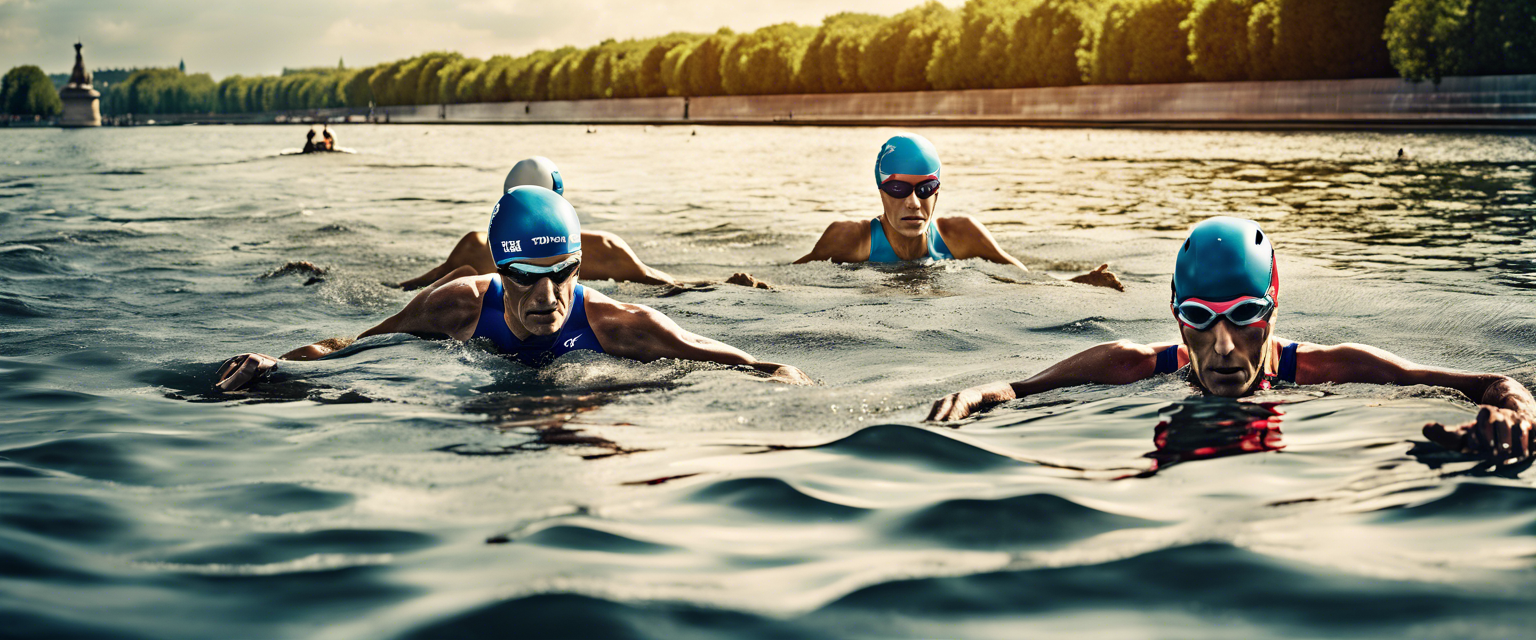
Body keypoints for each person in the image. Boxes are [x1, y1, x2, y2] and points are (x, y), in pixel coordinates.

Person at [927, 216, 1534, 464]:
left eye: (1243, 317)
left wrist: (1517, 416)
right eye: (1199, 317)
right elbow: (1016, 388)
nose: (1222, 346)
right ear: (1174, 312)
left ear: (1272, 312)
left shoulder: (1329, 368)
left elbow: (1494, 384)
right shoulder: (1134, 365)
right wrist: (978, 396)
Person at [216, 186, 811, 391]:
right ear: (499, 271)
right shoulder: (457, 302)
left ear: (581, 267)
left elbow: (753, 365)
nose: (547, 296)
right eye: (526, 279)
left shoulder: (622, 324)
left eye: (563, 274)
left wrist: (793, 391)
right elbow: (349, 348)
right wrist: (278, 367)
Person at [794, 133, 1125, 291]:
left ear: (937, 192)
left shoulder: (962, 235)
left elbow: (1025, 281)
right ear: (881, 190)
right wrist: (749, 285)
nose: (913, 202)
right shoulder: (851, 239)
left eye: (924, 189)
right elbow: (788, 284)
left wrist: (1082, 283)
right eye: (898, 189)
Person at [397, 157, 770, 291]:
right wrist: (721, 284)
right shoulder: (604, 248)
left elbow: (412, 288)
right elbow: (668, 285)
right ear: (561, 198)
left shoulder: (477, 246)